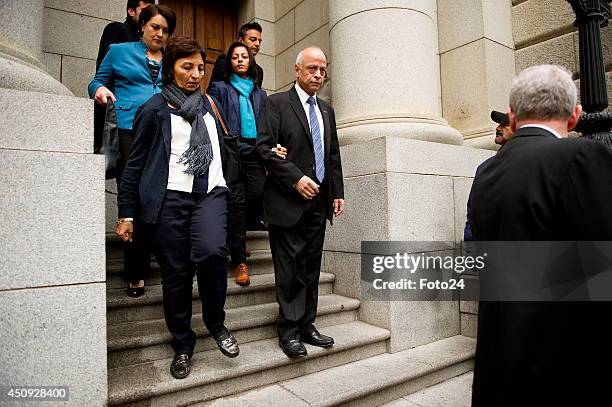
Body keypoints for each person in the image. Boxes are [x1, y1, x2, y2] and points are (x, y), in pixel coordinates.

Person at [470, 65, 612, 406]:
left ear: (514, 116)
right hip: (561, 366)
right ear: (575, 115)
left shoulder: (486, 171)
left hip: (498, 360)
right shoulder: (581, 155)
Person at [115, 36, 241, 380]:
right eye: (187, 67)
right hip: (170, 198)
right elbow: (135, 165)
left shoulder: (210, 106)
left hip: (210, 193)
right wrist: (126, 212)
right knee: (177, 275)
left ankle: (216, 324)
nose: (195, 74)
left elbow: (228, 150)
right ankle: (183, 345)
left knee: (214, 251)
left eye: (200, 67)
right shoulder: (153, 110)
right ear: (170, 68)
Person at [256, 47, 345, 358]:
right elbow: (264, 149)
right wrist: (295, 178)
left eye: (322, 70)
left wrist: (337, 192)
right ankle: (289, 329)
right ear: (297, 70)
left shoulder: (327, 110)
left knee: (310, 266)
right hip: (286, 201)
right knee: (289, 268)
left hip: (318, 204)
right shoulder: (277, 104)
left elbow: (332, 155)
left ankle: (308, 324)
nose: (318, 75)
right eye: (311, 69)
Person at [88, 4, 176, 297]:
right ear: (142, 26)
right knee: (133, 196)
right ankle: (135, 271)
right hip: (128, 128)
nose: (160, 34)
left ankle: (164, 262)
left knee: (162, 194)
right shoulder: (119, 51)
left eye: (165, 30)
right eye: (155, 27)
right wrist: (99, 91)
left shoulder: (172, 60)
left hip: (164, 132)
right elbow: (97, 81)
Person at [209, 42, 270, 287]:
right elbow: (211, 118)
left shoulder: (260, 94)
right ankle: (239, 260)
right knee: (236, 203)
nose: (240, 60)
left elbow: (267, 124)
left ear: (251, 61)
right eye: (235, 57)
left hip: (255, 152)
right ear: (230, 62)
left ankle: (235, 240)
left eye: (244, 56)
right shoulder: (220, 88)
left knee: (256, 196)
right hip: (231, 152)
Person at [93, 0, 155, 153]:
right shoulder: (116, 30)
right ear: (131, 11)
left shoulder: (155, 45)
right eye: (145, 10)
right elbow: (103, 73)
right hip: (122, 115)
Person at [463, 110, 514, 241]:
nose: (498, 128)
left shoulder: (529, 163)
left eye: (505, 124)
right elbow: (472, 212)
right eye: (499, 124)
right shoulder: (484, 167)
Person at [207, 22, 264, 92]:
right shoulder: (224, 61)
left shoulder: (259, 71)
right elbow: (213, 92)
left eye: (259, 41)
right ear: (241, 40)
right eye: (253, 39)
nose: (257, 44)